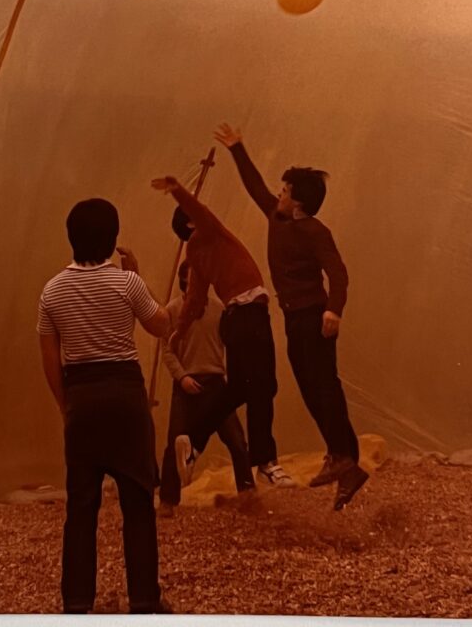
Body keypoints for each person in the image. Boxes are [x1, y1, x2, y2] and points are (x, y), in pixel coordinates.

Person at [213, 123, 368, 511]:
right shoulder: (277, 218)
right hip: (294, 318)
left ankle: (343, 457)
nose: (277, 195)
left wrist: (334, 309)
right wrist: (237, 149)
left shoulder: (315, 231)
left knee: (322, 385)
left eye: (284, 191)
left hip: (313, 316)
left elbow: (339, 273)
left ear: (297, 203)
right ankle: (344, 460)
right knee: (312, 385)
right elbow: (254, 186)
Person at [37, 197, 172, 615]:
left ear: (71, 238)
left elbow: (49, 359)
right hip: (125, 397)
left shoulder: (52, 291)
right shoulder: (126, 284)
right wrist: (140, 277)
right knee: (137, 506)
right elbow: (161, 324)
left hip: (82, 398)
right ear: (113, 239)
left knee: (80, 510)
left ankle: (77, 603)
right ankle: (144, 601)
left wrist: (67, 407)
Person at [151, 175, 294, 489]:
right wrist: (177, 190)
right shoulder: (208, 233)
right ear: (191, 224)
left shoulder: (196, 255)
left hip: (236, 319)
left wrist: (180, 331)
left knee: (240, 390)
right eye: (197, 214)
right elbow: (197, 210)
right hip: (248, 314)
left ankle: (194, 443)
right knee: (263, 385)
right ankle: (266, 462)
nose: (206, 213)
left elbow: (196, 300)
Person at [159, 259, 255, 515]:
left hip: (216, 384)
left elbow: (232, 343)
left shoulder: (219, 310)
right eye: (190, 282)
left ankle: (248, 496)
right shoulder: (172, 310)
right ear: (183, 283)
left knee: (236, 441)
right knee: (175, 442)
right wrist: (182, 378)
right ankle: (167, 501)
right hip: (186, 384)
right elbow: (167, 351)